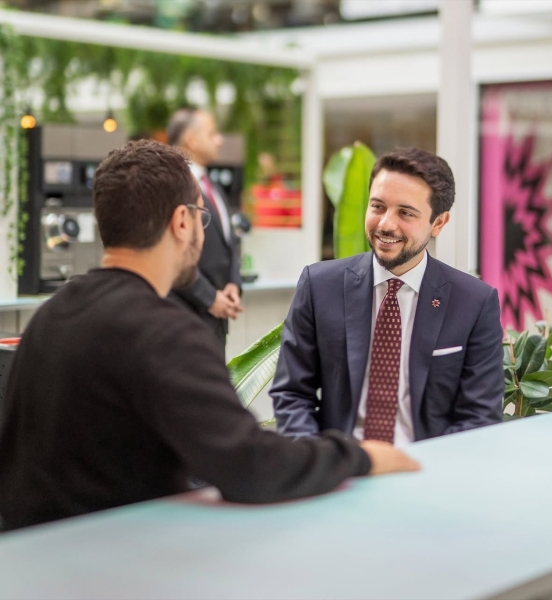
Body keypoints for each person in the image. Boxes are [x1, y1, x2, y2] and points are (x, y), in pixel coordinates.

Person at [0, 140, 419, 532]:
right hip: (119, 561)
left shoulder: (50, 316)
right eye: (202, 217)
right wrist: (360, 455)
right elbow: (252, 467)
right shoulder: (165, 332)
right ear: (182, 222)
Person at [271, 147, 504, 445]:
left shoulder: (473, 302)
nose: (385, 224)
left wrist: (427, 466)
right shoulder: (319, 286)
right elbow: (292, 393)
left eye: (405, 213)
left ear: (438, 223)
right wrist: (322, 461)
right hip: (341, 463)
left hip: (427, 465)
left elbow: (480, 416)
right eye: (378, 207)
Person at [165, 107, 242, 350]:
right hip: (186, 320)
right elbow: (170, 252)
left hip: (216, 324)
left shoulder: (213, 187)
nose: (219, 140)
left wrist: (234, 283)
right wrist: (209, 297)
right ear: (191, 139)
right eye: (212, 133)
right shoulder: (171, 186)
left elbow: (230, 242)